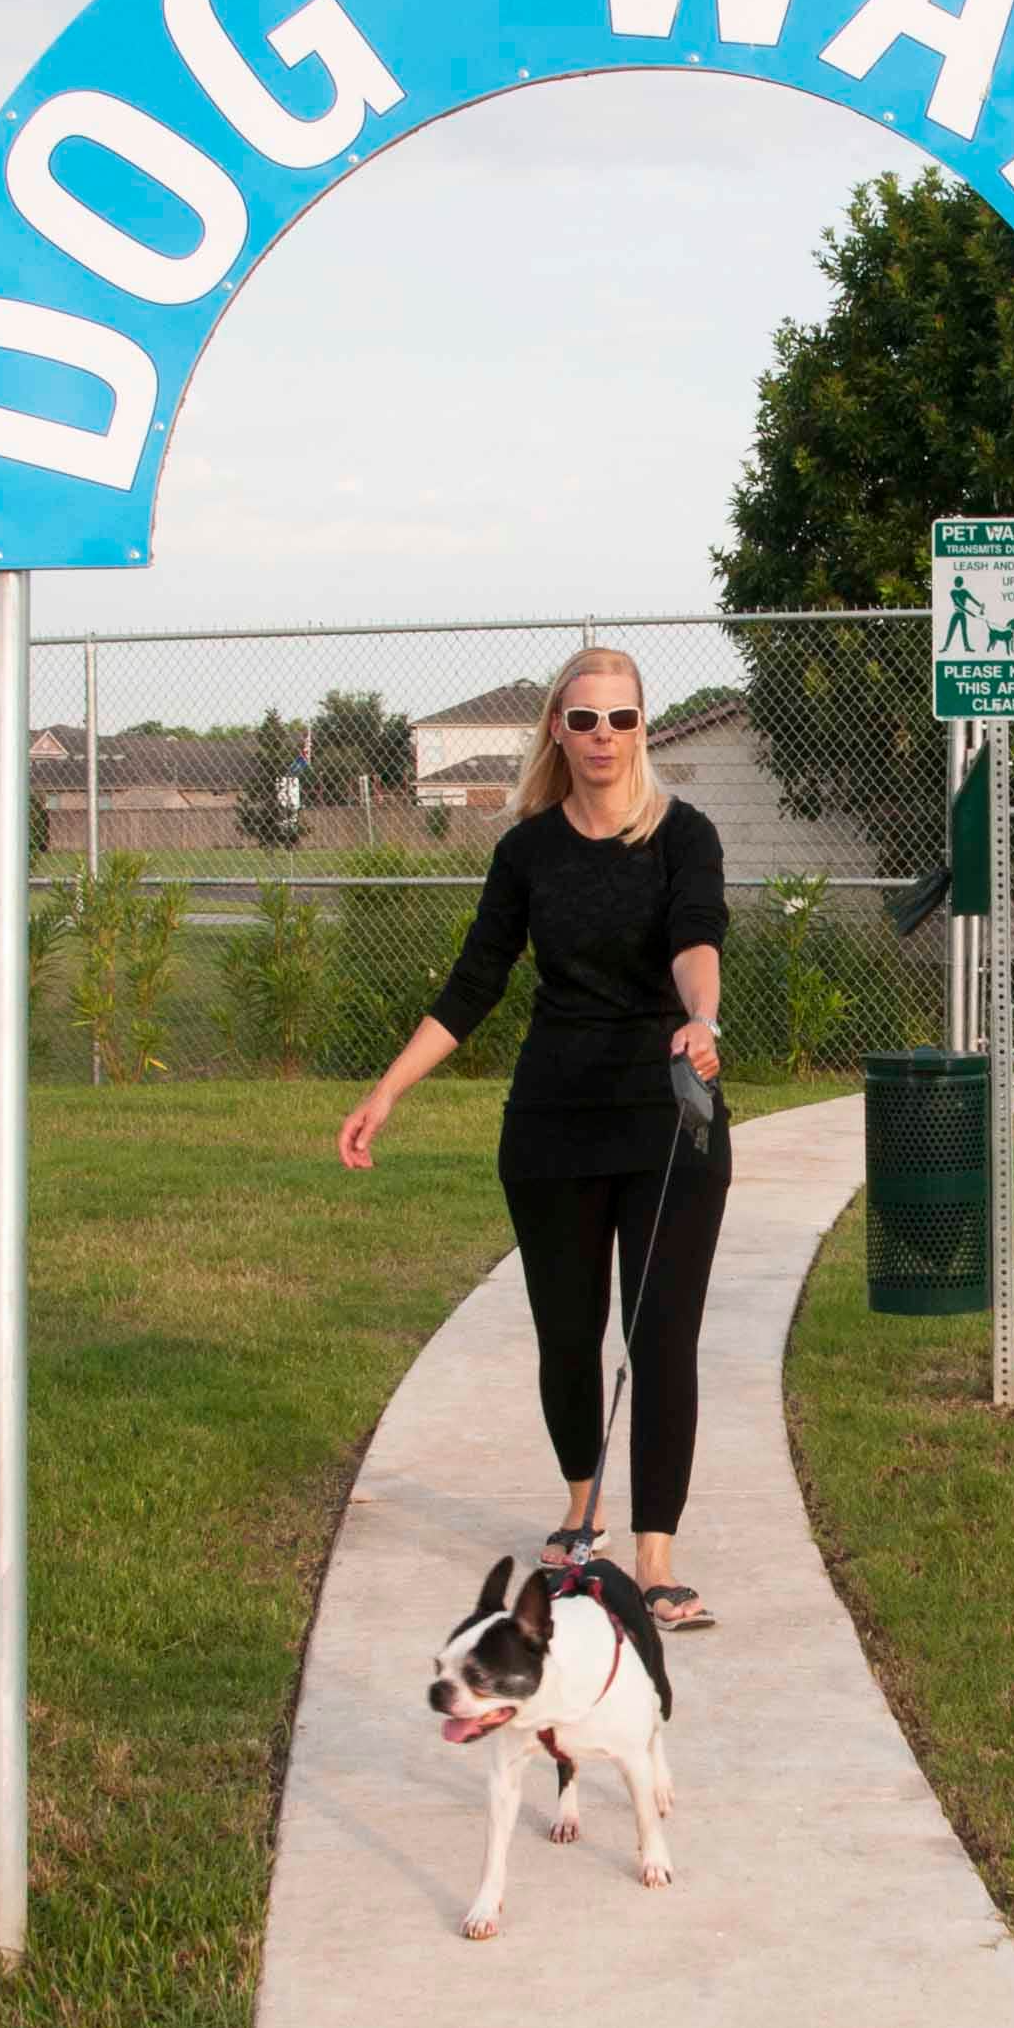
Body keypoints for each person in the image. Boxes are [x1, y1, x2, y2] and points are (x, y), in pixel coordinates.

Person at [337, 648, 728, 1631]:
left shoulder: (684, 836)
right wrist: (387, 1091)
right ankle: (578, 1504)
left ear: (645, 726)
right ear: (555, 727)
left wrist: (702, 1020)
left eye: (622, 720)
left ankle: (655, 1557)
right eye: (585, 720)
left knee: (661, 1334)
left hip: (667, 1113)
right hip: (552, 1120)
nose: (604, 738)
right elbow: (475, 983)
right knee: (567, 1332)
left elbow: (696, 936)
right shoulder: (526, 852)